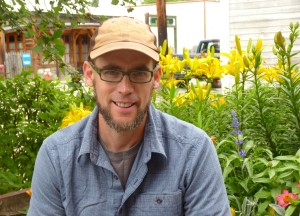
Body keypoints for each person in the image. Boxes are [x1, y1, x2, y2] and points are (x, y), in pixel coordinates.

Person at [28, 16, 231, 215]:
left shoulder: (194, 152)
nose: (125, 88)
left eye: (139, 73)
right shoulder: (56, 157)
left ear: (156, 77)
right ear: (90, 75)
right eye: (111, 72)